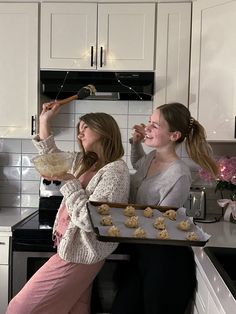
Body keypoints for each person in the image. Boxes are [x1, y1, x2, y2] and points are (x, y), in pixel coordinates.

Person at [7, 101, 130, 314]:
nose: (80, 134)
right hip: (75, 250)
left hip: (81, 254)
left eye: (85, 128)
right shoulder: (85, 161)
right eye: (78, 129)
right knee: (75, 309)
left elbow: (92, 220)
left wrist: (68, 180)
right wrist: (45, 120)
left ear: (104, 131)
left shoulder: (115, 171)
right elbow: (51, 156)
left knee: (19, 308)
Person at [111, 102, 219, 314]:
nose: (147, 128)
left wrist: (119, 218)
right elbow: (138, 164)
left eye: (155, 125)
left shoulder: (179, 173)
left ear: (174, 135)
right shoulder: (151, 158)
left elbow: (160, 222)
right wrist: (135, 143)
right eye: (149, 122)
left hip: (165, 261)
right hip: (141, 251)